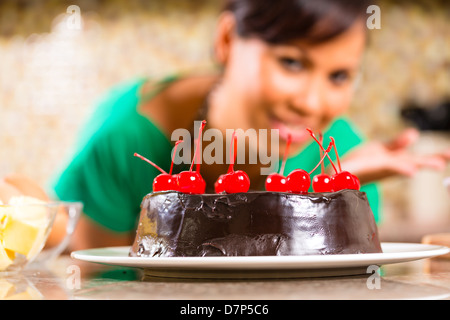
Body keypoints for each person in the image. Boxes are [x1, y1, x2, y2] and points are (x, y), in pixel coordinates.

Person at [3, 0, 448, 250]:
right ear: (227, 40)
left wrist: (332, 191)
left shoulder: (346, 161)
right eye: (291, 62)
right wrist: (28, 211)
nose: (311, 102)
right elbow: (89, 265)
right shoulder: (131, 133)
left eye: (338, 76)